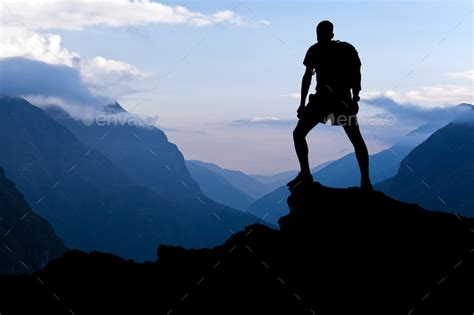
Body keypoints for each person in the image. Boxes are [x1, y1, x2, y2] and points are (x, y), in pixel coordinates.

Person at [287, 20, 372, 190]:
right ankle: (366, 181)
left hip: (322, 102)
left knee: (299, 134)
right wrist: (355, 98)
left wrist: (302, 104)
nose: (319, 38)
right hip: (341, 103)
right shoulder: (346, 49)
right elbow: (357, 74)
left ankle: (306, 174)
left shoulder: (315, 50)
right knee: (356, 140)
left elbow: (307, 77)